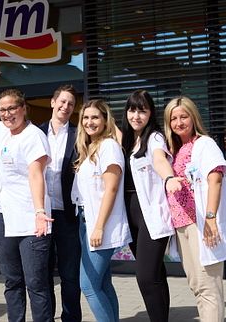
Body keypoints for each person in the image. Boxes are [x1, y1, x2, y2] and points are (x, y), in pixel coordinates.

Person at [0, 61, 54, 322]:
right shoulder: (3, 133)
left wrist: (39, 212)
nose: (7, 114)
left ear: (24, 109)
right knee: (12, 282)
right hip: (2, 217)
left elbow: (36, 174)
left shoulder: (33, 136)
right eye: (3, 110)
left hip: (31, 219)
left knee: (36, 283)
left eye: (12, 108)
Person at [163, 96, 226, 322]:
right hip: (182, 225)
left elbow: (215, 179)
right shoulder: (177, 149)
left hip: (200, 223)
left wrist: (210, 218)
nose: (179, 122)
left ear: (194, 117)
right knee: (196, 285)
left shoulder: (204, 144)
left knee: (208, 286)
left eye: (184, 116)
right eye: (174, 118)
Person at [71, 99, 131, 322]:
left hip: (99, 225)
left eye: (95, 117)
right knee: (103, 283)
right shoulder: (90, 149)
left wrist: (98, 227)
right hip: (86, 222)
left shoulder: (109, 147)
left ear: (106, 120)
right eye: (85, 117)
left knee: (87, 286)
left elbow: (112, 189)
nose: (89, 122)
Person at [119, 90, 174, 321]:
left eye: (142, 110)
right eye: (132, 110)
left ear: (150, 113)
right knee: (156, 274)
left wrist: (169, 178)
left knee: (145, 276)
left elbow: (160, 160)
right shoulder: (127, 139)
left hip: (150, 214)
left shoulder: (155, 138)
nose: (136, 115)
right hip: (130, 216)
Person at [39, 84, 81, 322]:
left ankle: (71, 318)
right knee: (43, 273)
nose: (66, 106)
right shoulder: (36, 132)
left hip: (67, 214)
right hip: (42, 214)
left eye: (71, 104)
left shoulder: (78, 134)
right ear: (53, 103)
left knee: (69, 274)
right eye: (62, 101)